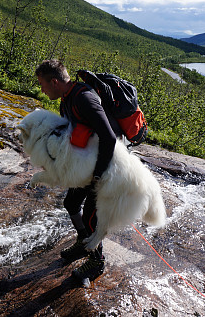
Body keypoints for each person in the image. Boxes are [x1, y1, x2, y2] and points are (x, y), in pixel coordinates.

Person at [35, 59, 119, 284]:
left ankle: (97, 262)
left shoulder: (84, 98)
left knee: (91, 216)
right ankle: (84, 243)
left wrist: (99, 174)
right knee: (71, 204)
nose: (41, 89)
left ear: (54, 81)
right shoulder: (66, 100)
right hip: (87, 165)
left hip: (103, 165)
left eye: (43, 84)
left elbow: (110, 138)